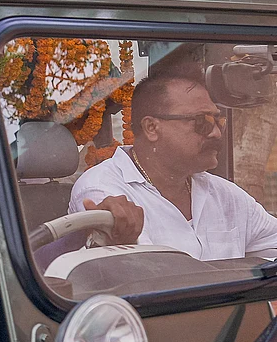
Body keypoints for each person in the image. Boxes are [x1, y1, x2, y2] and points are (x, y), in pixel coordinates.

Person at [70, 71, 277, 260]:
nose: (216, 133)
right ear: (151, 128)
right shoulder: (102, 191)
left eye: (218, 121)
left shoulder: (225, 195)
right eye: (201, 122)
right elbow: (149, 276)